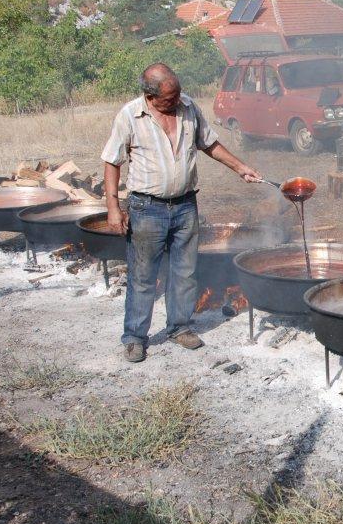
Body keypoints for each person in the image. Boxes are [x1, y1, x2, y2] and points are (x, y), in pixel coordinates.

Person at [101, 62, 261, 363]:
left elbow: (209, 144)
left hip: (186, 205)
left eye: (177, 93)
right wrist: (112, 207)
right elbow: (112, 161)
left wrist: (241, 168)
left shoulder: (188, 107)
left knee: (185, 273)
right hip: (147, 208)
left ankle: (179, 327)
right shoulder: (130, 116)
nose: (177, 101)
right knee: (143, 276)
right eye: (169, 97)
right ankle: (135, 337)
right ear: (150, 96)